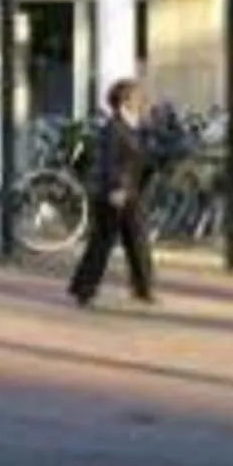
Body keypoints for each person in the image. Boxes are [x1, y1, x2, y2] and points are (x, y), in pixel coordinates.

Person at [67, 77, 156, 309]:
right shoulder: (113, 129)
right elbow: (109, 162)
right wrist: (115, 188)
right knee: (102, 242)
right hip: (114, 194)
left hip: (132, 192)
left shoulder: (135, 126)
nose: (142, 103)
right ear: (125, 102)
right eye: (138, 98)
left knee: (137, 241)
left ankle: (143, 287)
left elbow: (144, 156)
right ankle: (84, 289)